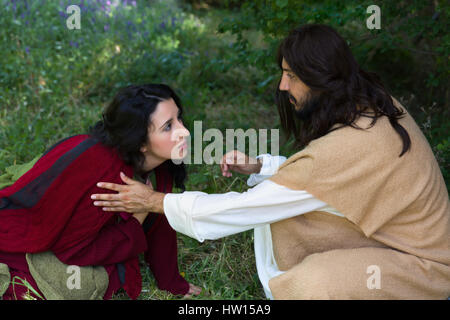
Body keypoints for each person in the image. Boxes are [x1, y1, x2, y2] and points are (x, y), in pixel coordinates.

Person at [91, 25, 450, 299]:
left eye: (291, 76)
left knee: (313, 284)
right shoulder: (372, 102)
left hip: (427, 268)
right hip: (397, 237)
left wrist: (154, 201)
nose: (282, 85)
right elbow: (332, 176)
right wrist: (261, 167)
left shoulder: (353, 144)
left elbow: (245, 209)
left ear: (321, 78)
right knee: (286, 216)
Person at [0, 84, 201, 300]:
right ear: (141, 142)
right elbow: (73, 250)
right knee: (80, 285)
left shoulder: (159, 163)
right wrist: (136, 220)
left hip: (74, 233)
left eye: (178, 118)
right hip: (27, 234)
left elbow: (161, 217)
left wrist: (171, 281)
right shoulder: (105, 180)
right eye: (168, 126)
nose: (185, 131)